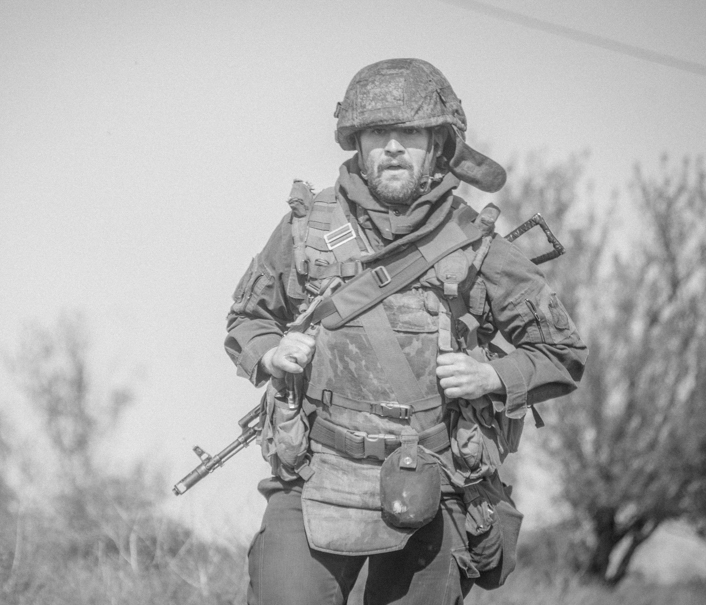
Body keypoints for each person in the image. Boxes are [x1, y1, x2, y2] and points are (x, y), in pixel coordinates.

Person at [224, 58, 587, 605]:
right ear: (357, 142)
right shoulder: (307, 228)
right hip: (317, 472)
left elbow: (562, 352)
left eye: (410, 133)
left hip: (435, 477)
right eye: (377, 132)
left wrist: (491, 376)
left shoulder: (475, 243)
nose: (392, 147)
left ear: (438, 144)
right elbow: (247, 318)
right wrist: (272, 353)